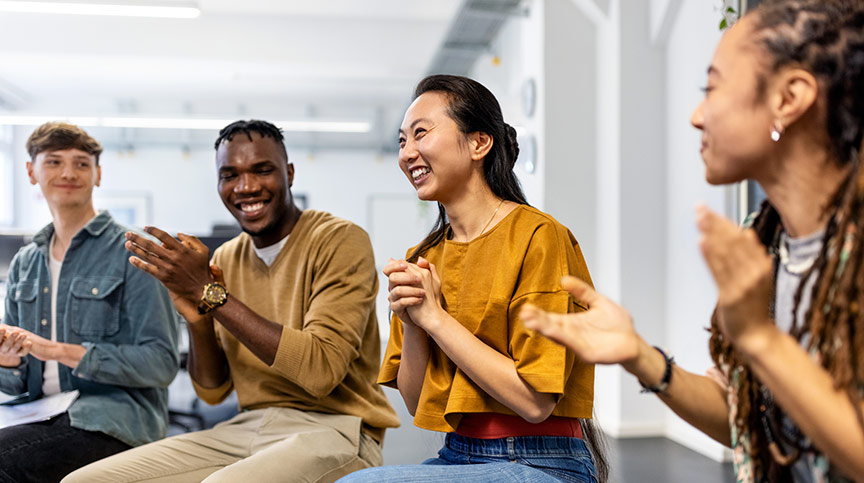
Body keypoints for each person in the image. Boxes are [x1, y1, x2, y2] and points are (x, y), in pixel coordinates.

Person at [520, 1, 864, 481]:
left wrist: (761, 340)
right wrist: (642, 358)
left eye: (712, 87)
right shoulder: (763, 241)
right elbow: (749, 425)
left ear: (789, 98)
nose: (696, 116)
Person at [64, 120, 399, 483]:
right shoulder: (225, 258)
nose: (246, 187)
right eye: (230, 175)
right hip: (248, 426)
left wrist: (212, 294)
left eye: (262, 170)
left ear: (288, 173)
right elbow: (212, 391)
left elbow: (320, 372)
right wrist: (197, 317)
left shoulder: (338, 239)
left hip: (337, 429)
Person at [340, 75, 606, 483]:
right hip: (458, 454)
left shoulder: (539, 237)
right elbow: (414, 403)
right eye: (401, 141)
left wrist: (434, 319)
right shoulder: (423, 257)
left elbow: (535, 403)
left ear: (479, 144)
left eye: (421, 134)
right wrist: (413, 325)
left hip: (542, 461)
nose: (407, 153)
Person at [0, 122, 180, 483]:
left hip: (111, 420)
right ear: (31, 172)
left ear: (98, 175)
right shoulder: (25, 262)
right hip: (36, 415)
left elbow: (161, 364)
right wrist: (9, 362)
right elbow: (14, 384)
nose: (68, 172)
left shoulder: (135, 252)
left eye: (81, 163)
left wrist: (59, 351)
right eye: (53, 162)